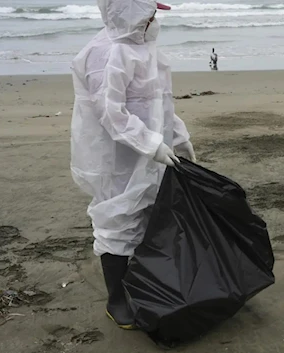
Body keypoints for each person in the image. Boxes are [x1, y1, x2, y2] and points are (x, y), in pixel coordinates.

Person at [69, 0, 196, 330]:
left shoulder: (144, 47)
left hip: (147, 152)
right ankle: (116, 299)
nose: (154, 17)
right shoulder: (106, 54)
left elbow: (159, 101)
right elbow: (110, 113)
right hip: (116, 158)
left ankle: (139, 285)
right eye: (148, 10)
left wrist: (178, 137)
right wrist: (151, 144)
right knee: (117, 219)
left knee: (147, 214)